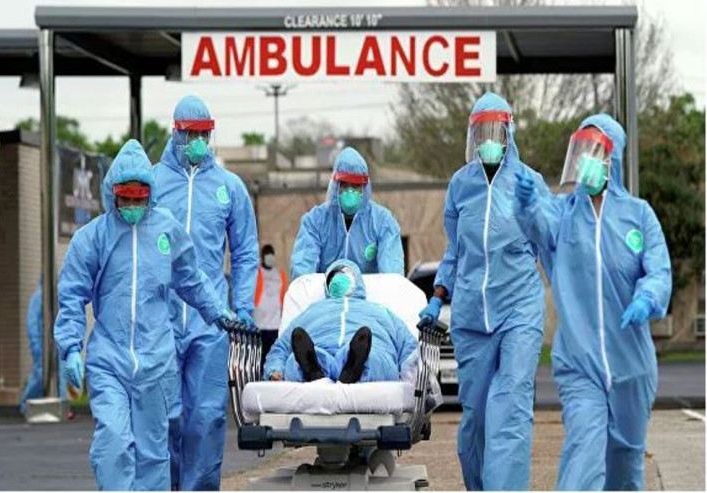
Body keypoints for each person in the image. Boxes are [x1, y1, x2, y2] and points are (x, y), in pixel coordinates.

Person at [54, 139, 233, 491]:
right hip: (109, 361)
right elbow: (72, 294)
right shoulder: (93, 238)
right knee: (114, 441)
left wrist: (216, 310)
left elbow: (191, 279)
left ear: (151, 194)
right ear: (112, 193)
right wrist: (71, 347)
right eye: (126, 197)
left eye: (140, 197)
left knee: (153, 452)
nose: (133, 205)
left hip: (157, 361)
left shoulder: (167, 230)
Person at [514, 114, 672, 490]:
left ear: (611, 160)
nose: (586, 160)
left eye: (594, 152)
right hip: (579, 363)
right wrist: (528, 204)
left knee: (625, 463)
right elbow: (539, 224)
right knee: (584, 450)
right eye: (581, 151)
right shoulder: (563, 212)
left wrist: (647, 298)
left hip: (631, 365)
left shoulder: (639, 215)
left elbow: (659, 271)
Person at [418, 92, 548, 490]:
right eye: (482, 132)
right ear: (472, 136)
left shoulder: (530, 184)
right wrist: (438, 296)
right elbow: (455, 252)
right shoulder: (461, 186)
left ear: (509, 134)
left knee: (510, 407)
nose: (489, 139)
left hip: (519, 310)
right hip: (472, 316)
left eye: (497, 131)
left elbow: (552, 244)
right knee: (475, 418)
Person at [155, 95, 259, 490]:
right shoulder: (153, 183)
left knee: (206, 418)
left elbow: (245, 251)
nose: (198, 141)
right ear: (175, 132)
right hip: (160, 321)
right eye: (191, 133)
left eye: (205, 133)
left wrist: (242, 305)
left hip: (211, 323)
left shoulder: (229, 187)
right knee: (164, 417)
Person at [265, 259, 417, 383]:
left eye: (345, 274)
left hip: (368, 349)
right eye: (335, 276)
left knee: (375, 358)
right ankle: (318, 366)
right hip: (319, 346)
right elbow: (282, 346)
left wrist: (412, 372)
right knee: (296, 361)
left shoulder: (380, 311)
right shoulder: (311, 310)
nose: (340, 280)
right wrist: (275, 370)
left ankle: (335, 368)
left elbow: (408, 344)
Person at [290, 147, 404, 280]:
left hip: (369, 294)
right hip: (326, 293)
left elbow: (392, 277)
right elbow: (302, 275)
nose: (350, 192)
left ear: (365, 187)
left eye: (356, 186)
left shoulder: (383, 223)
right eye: (344, 185)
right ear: (335, 186)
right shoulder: (314, 222)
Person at [19, 277, 70, 417]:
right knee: (40, 373)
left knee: (60, 373)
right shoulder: (39, 298)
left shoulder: (56, 298)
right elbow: (32, 324)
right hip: (43, 344)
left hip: (56, 343)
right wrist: (36, 344)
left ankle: (61, 406)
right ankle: (25, 404)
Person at [254, 244, 288, 367]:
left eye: (271, 255)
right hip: (259, 322)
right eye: (267, 255)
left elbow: (284, 296)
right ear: (262, 257)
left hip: (275, 323)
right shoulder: (256, 273)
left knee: (273, 354)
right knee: (259, 355)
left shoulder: (280, 274)